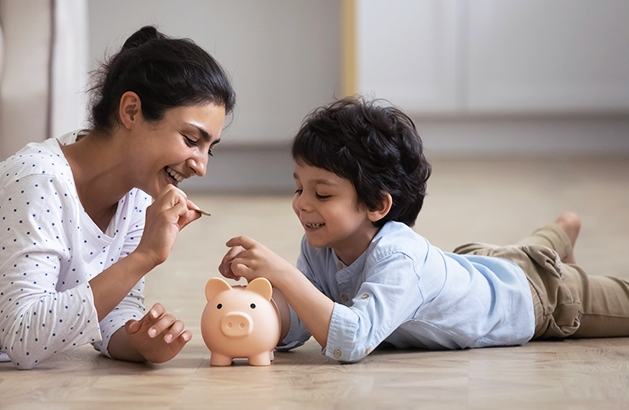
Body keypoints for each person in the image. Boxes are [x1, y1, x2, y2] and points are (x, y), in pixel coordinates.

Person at [0, 26, 235, 369]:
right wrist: (145, 256)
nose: (201, 166)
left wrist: (140, 342)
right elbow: (25, 338)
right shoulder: (37, 180)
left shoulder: (139, 194)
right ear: (131, 111)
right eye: (192, 139)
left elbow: (112, 314)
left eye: (211, 149)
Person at [219, 96, 629, 363]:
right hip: (477, 263)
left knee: (557, 275)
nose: (302, 203)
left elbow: (350, 341)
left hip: (540, 297)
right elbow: (303, 324)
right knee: (519, 255)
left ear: (378, 205)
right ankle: (560, 231)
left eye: (322, 194)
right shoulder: (321, 244)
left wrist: (285, 275)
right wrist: (260, 304)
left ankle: (557, 240)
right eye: (298, 187)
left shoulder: (399, 259)